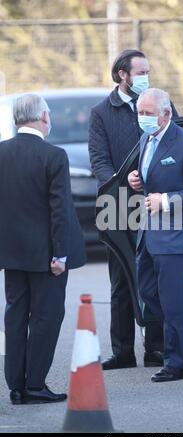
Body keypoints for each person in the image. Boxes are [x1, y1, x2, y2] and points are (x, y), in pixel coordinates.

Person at [89, 49, 178, 370]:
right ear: (122, 75)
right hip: (119, 204)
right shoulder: (102, 113)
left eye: (147, 71)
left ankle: (155, 346)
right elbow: (98, 159)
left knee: (154, 277)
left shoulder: (161, 104)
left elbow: (176, 144)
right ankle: (123, 350)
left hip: (157, 205)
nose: (145, 77)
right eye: (140, 72)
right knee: (121, 280)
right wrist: (119, 181)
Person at [0, 94, 86, 404]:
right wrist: (60, 255)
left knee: (15, 316)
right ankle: (34, 384)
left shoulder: (2, 152)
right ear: (43, 118)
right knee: (46, 319)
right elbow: (59, 210)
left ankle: (15, 386)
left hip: (12, 254)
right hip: (47, 255)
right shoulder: (54, 156)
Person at [128, 88, 183, 382]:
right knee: (149, 293)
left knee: (173, 300)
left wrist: (165, 200)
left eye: (148, 113)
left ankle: (176, 362)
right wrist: (136, 180)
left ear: (165, 114)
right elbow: (150, 179)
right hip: (149, 234)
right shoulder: (145, 138)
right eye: (139, 112)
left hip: (178, 237)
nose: (142, 118)